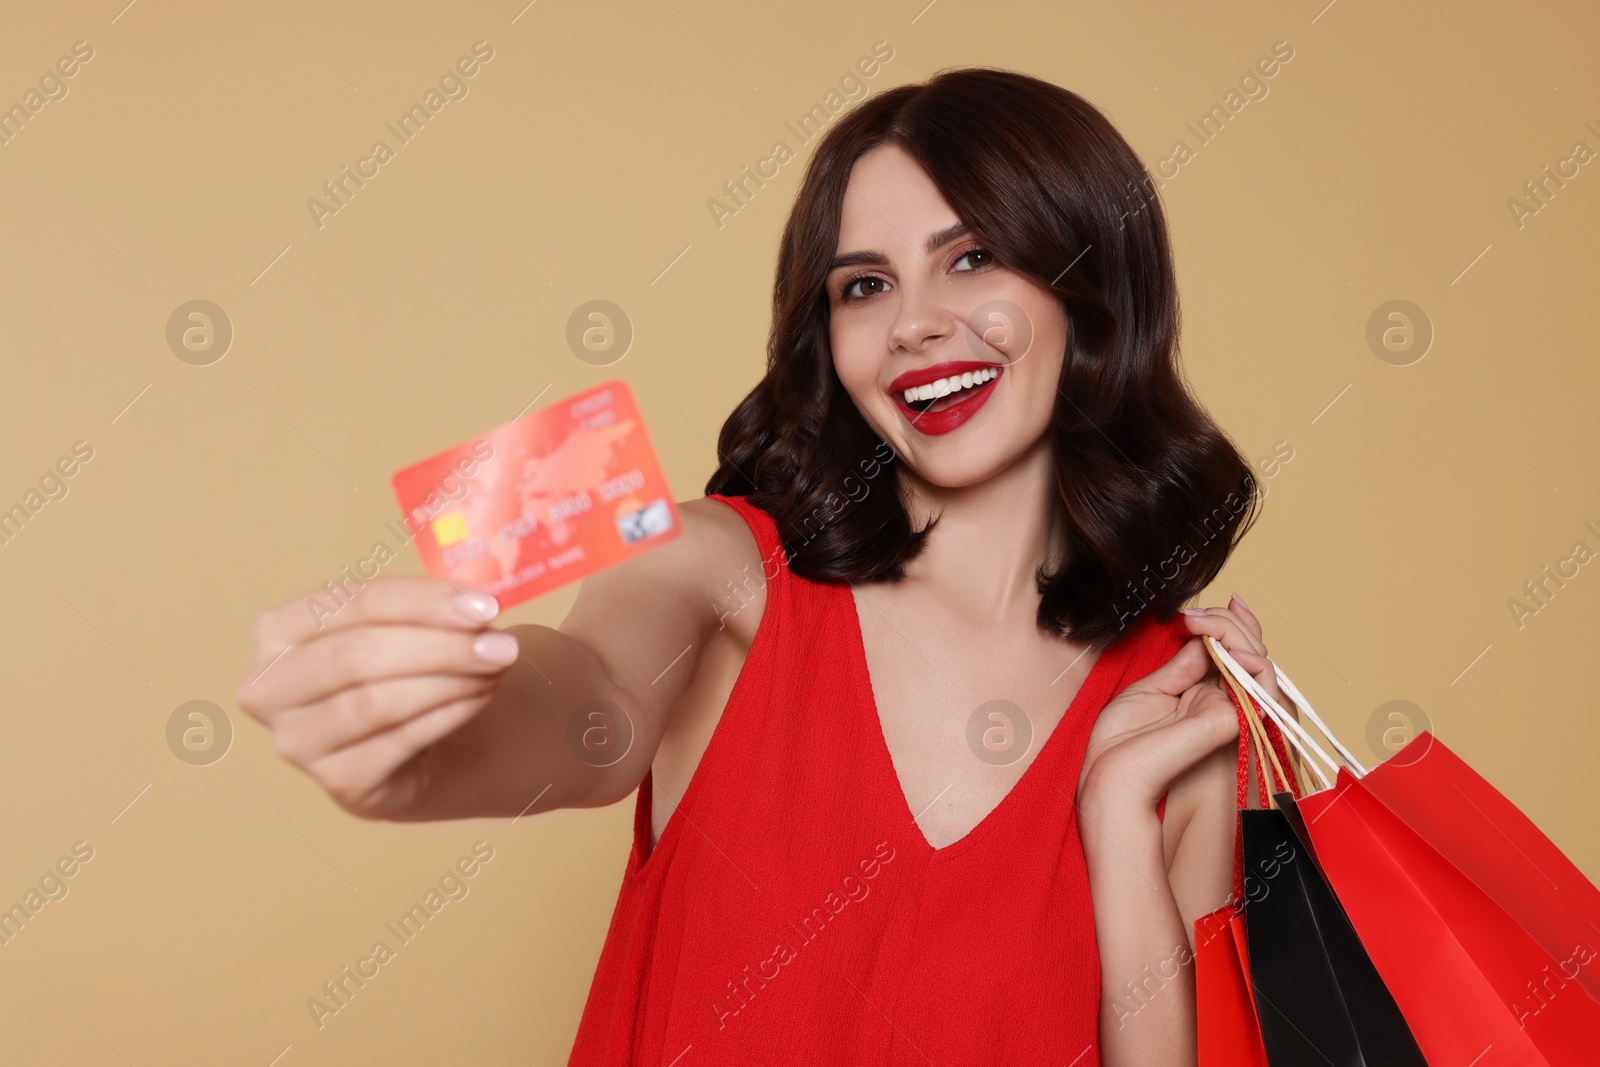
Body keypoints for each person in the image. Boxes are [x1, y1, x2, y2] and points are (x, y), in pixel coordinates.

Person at [237, 66, 1293, 1066]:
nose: (916, 322)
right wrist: (435, 733)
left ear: (1089, 286)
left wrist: (1115, 823)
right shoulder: (720, 567)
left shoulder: (1172, 711)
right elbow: (589, 712)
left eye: (971, 258)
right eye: (863, 285)